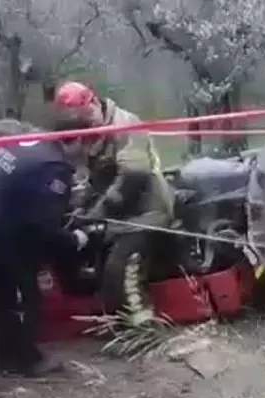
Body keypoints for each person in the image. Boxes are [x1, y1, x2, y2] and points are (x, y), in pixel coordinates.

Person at [0, 123, 92, 377]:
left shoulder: (30, 144)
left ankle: (2, 352)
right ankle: (26, 359)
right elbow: (44, 227)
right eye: (86, 143)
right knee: (25, 292)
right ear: (74, 141)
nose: (87, 151)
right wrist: (74, 239)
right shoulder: (54, 166)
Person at [52, 82, 174, 326]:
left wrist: (97, 211)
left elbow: (133, 175)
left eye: (86, 117)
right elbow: (93, 178)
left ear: (95, 103)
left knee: (119, 272)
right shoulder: (92, 132)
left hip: (146, 211)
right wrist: (80, 208)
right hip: (118, 215)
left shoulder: (125, 124)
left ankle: (143, 328)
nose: (85, 126)